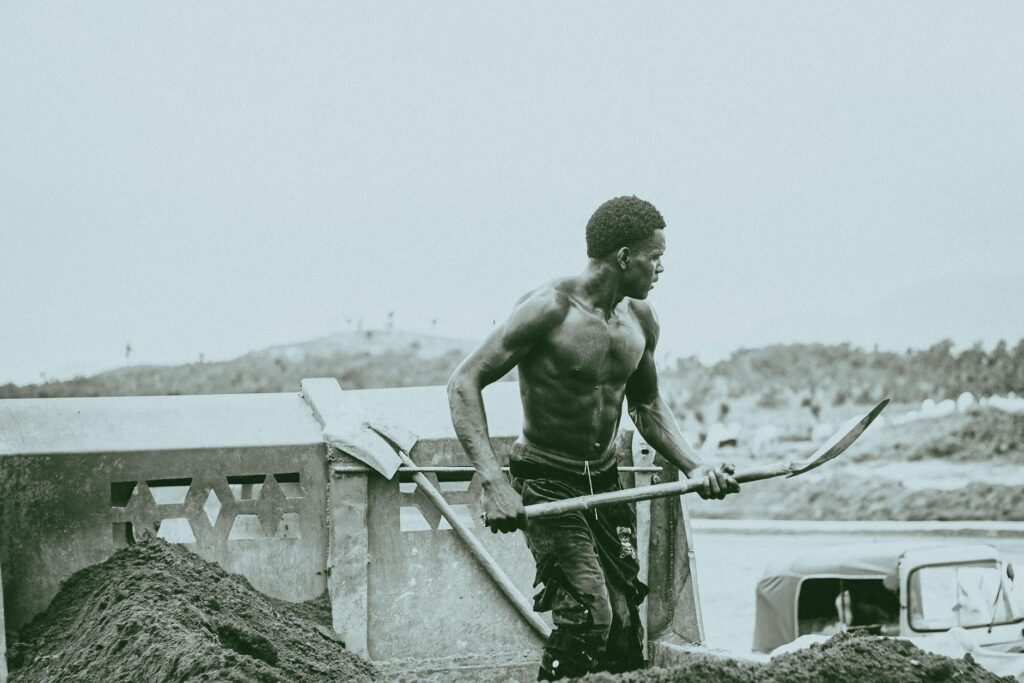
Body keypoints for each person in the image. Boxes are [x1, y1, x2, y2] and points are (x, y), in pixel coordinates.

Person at [447, 195, 740, 679]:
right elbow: (464, 382)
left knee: (624, 628)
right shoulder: (548, 309)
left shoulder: (641, 319)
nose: (661, 268)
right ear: (625, 256)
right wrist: (493, 481)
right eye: (655, 257)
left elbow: (646, 406)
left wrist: (696, 465)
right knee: (588, 616)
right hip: (547, 480)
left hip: (606, 483)